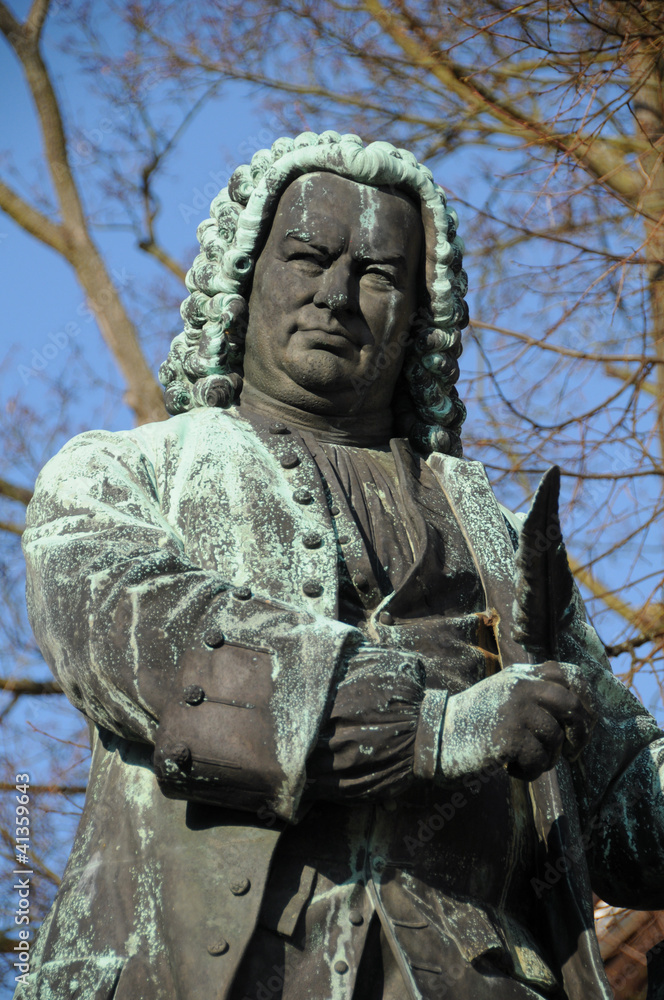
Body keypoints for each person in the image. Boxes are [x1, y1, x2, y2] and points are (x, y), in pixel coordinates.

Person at [18, 131, 664, 1000]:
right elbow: (159, 647)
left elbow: (626, 799)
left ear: (418, 318)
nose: (336, 295)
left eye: (378, 275)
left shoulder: (501, 539)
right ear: (246, 281)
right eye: (308, 256)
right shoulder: (117, 478)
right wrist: (435, 729)